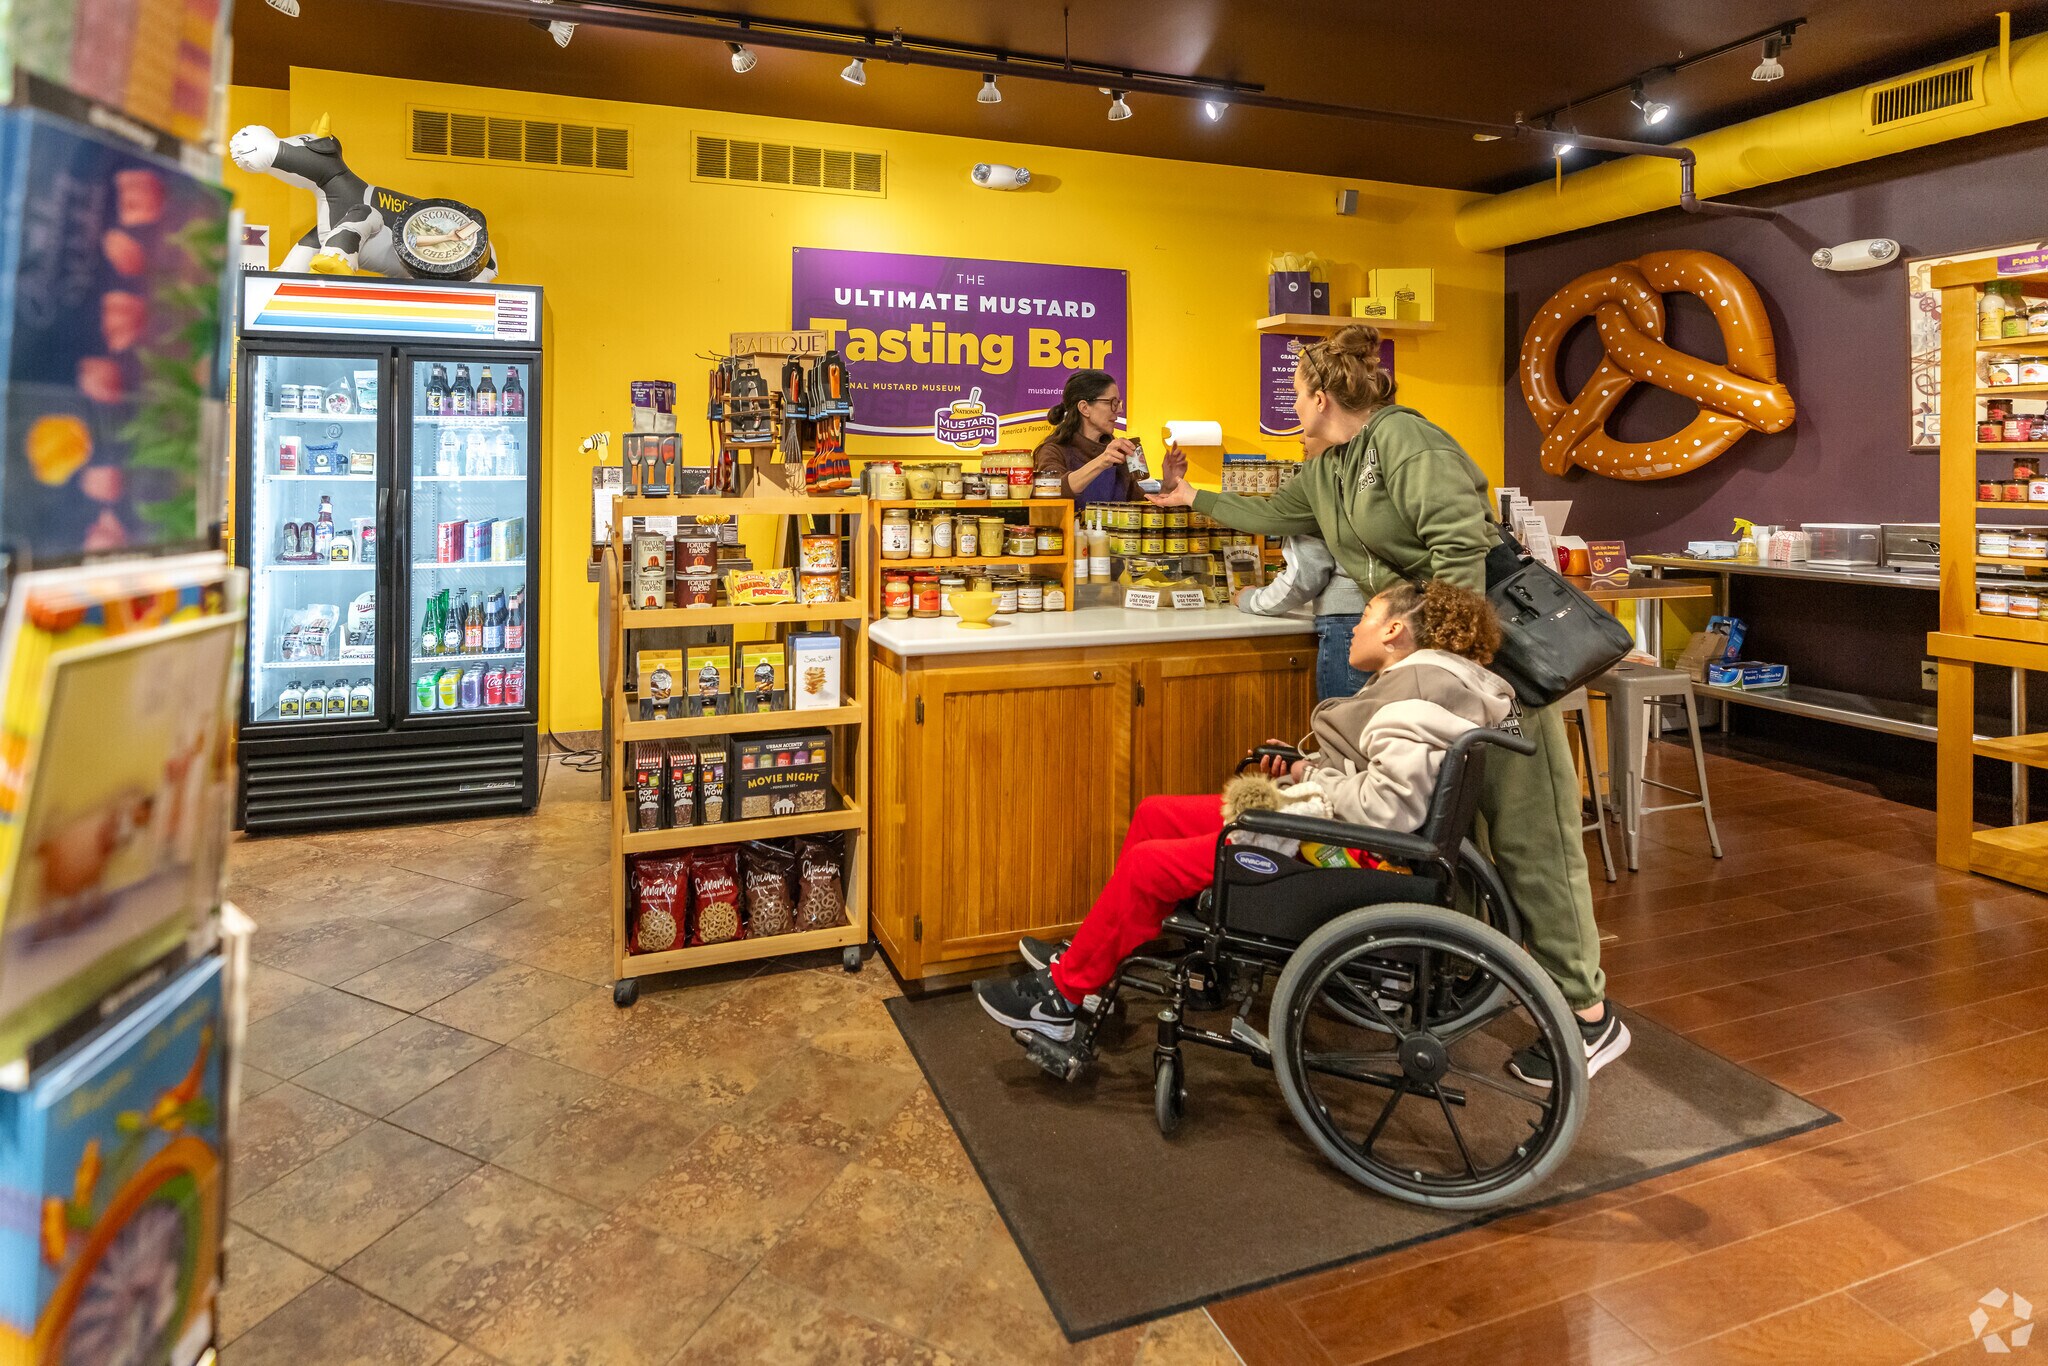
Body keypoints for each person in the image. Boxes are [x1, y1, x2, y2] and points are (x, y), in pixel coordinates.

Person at [1148, 324, 1623, 1088]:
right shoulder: (1331, 465)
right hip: (1429, 666)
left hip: (1488, 667)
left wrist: (1450, 669)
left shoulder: (1408, 444)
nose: (1288, 403)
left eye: (1294, 392)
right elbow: (1277, 515)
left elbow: (1460, 557)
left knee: (1534, 840)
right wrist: (1190, 496)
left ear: (1323, 396)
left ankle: (1589, 1016)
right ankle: (1454, 970)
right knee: (1446, 833)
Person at [975, 582, 1610, 1078]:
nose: (1354, 624)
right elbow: (1382, 776)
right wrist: (1307, 767)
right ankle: (1101, 954)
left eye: (1364, 614)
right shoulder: (1422, 682)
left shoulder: (1415, 694)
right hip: (1331, 821)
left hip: (1336, 850)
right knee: (1156, 814)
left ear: (1394, 630)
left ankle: (1061, 1000)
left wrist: (1311, 787)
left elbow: (1384, 810)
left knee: (1149, 866)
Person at [1235, 436, 1367, 700]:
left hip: (1346, 623)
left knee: (1343, 730)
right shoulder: (1368, 473)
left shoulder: (1317, 484)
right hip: (1393, 614)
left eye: (1308, 429)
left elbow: (1306, 576)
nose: (1301, 439)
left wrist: (1250, 599)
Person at [1032, 370, 1184, 508]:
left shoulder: (1117, 454)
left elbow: (1138, 511)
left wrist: (1168, 485)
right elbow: (1054, 488)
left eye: (1118, 402)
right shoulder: (1053, 450)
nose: (1119, 409)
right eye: (1112, 402)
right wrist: (1102, 461)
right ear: (1084, 408)